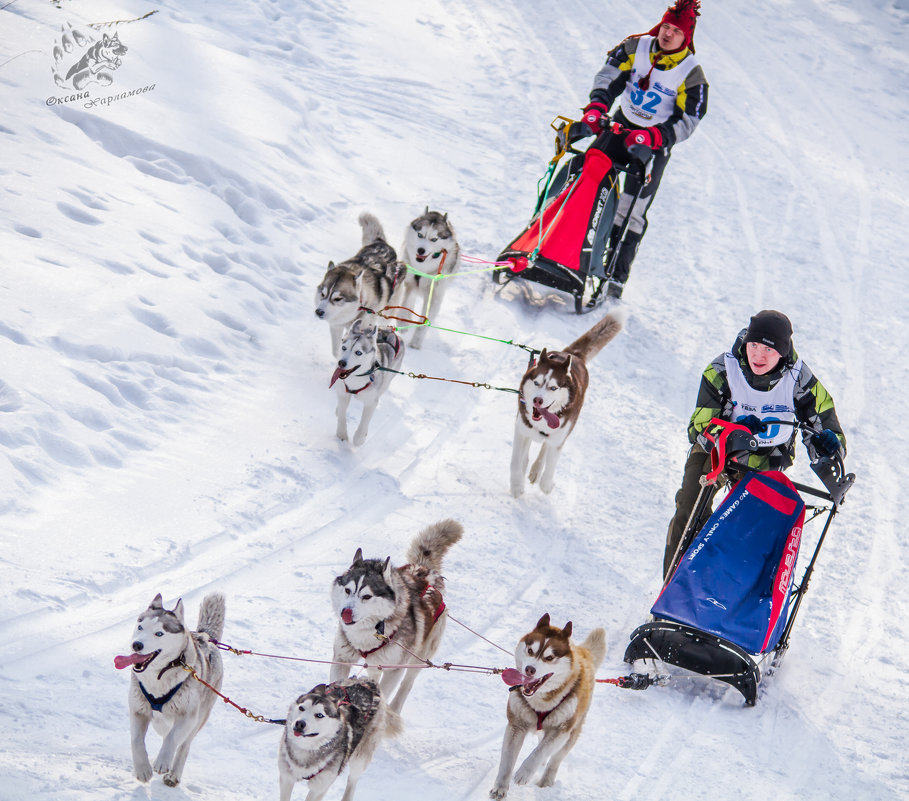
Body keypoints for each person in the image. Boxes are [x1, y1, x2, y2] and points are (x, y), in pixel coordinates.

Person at [662, 310, 847, 580]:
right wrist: (735, 430)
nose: (758, 355)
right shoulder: (723, 369)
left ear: (782, 353)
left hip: (766, 458)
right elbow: (699, 426)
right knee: (689, 507)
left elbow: (825, 423)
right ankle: (673, 589)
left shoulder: (799, 379)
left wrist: (828, 444)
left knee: (748, 529)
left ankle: (726, 599)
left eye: (768, 349)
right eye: (754, 345)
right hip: (718, 450)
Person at [580, 0, 708, 299]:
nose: (667, 34)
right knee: (586, 180)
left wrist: (654, 137)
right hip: (620, 126)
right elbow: (608, 76)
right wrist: (598, 105)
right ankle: (571, 249)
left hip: (653, 144)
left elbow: (688, 120)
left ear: (685, 37)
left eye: (676, 31)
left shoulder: (691, 74)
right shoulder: (635, 47)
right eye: (665, 26)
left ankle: (614, 275)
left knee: (631, 210)